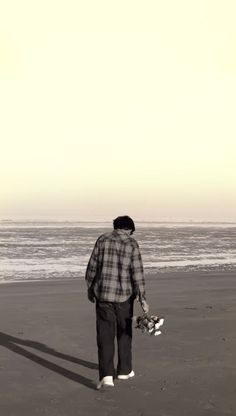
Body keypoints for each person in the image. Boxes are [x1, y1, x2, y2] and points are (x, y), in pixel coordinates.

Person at [85, 215, 149, 389]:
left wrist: (90, 288)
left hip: (103, 296)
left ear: (116, 227)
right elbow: (137, 273)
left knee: (104, 336)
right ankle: (124, 370)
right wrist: (143, 298)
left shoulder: (102, 239)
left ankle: (106, 376)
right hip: (124, 297)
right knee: (124, 333)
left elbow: (92, 267)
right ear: (129, 229)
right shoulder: (131, 244)